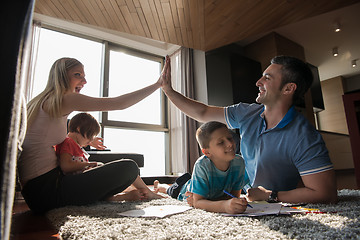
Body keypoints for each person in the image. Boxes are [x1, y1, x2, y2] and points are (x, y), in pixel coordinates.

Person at [161, 55, 337, 204]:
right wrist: (168, 90)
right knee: (182, 189)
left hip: (254, 197)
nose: (258, 82)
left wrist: (271, 195)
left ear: (288, 88)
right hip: (234, 189)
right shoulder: (247, 113)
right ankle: (169, 185)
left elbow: (325, 193)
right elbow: (203, 112)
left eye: (267, 78)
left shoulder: (304, 136)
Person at [18, 57, 167, 213]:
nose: (84, 81)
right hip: (48, 191)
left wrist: (89, 140)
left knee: (110, 169)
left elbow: (55, 137)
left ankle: (122, 196)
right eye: (78, 75)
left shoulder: (40, 103)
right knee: (129, 167)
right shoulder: (64, 99)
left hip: (35, 193)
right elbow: (119, 103)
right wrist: (157, 84)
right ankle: (141, 193)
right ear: (62, 75)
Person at [154, 121, 250, 214]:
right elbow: (197, 203)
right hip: (184, 189)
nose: (230, 143)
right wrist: (224, 206)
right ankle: (159, 186)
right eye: (221, 142)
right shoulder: (202, 165)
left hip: (205, 188)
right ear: (207, 152)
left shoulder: (239, 162)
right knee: (171, 190)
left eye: (230, 138)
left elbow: (234, 196)